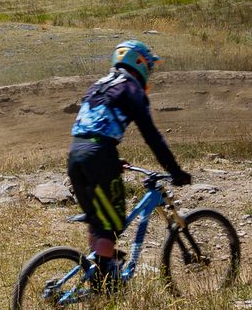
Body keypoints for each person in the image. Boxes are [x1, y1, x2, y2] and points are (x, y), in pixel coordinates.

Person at [67, 40, 192, 289]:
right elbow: (153, 137)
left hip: (76, 153)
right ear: (140, 64)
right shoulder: (131, 89)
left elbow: (93, 127)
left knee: (98, 221)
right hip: (98, 156)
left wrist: (110, 159)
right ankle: (107, 287)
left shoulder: (99, 85)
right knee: (112, 225)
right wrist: (175, 171)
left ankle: (101, 272)